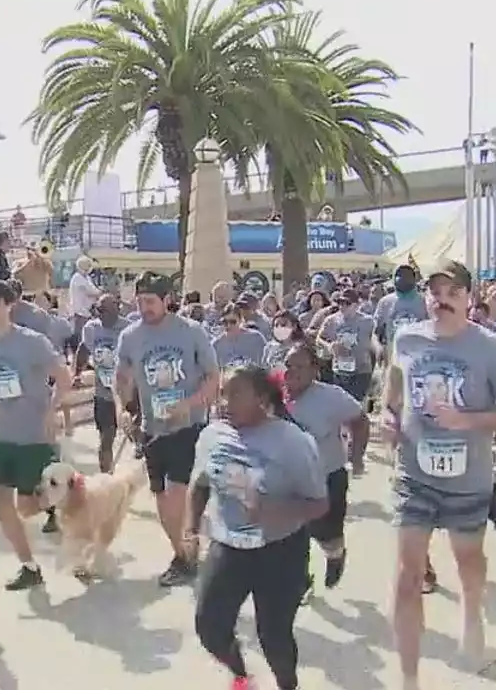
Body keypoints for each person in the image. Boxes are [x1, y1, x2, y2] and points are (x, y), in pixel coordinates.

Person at [382, 259, 496, 690]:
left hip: (468, 478)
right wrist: (389, 416)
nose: (442, 300)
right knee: (408, 577)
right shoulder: (407, 339)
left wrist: (468, 420)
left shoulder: (490, 347)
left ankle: (471, 610)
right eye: (436, 291)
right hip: (414, 474)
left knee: (468, 562)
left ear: (469, 297)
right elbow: (392, 383)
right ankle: (409, 679)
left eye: (453, 292)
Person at [193, 365, 326, 690]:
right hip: (228, 546)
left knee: (274, 637)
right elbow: (199, 486)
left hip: (280, 552)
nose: (224, 401)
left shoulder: (293, 441)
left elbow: (319, 504)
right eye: (222, 393)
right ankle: (241, 675)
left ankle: (286, 684)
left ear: (262, 398)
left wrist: (275, 511)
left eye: (235, 394)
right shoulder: (212, 435)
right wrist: (190, 530)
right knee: (210, 627)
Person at [115, 271, 220, 587]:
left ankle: (186, 554)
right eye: (140, 301)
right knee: (162, 500)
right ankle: (184, 555)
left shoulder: (191, 332)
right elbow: (122, 378)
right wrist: (122, 408)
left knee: (177, 494)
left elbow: (214, 377)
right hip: (153, 429)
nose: (144, 307)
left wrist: (189, 404)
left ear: (167, 300)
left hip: (188, 427)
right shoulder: (131, 336)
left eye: (150, 301)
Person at [0, 279, 70, 590]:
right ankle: (29, 566)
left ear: (9, 305)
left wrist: (51, 409)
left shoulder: (32, 342)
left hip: (33, 437)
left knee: (27, 507)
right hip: (0, 437)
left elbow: (64, 377)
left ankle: (66, 499)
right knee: (0, 500)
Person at [284, 343, 369, 595]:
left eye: (300, 366)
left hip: (327, 477)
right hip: (288, 483)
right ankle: (299, 582)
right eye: (288, 365)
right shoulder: (274, 393)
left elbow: (360, 420)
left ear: (315, 370)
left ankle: (336, 554)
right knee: (291, 536)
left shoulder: (331, 396)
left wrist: (356, 455)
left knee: (325, 533)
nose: (292, 372)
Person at [76, 292, 130, 473]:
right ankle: (105, 475)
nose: (101, 315)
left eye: (106, 310)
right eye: (99, 310)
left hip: (128, 395)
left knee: (137, 436)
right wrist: (77, 373)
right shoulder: (91, 328)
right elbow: (83, 349)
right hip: (104, 394)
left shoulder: (128, 329)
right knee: (106, 437)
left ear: (117, 309)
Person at [212, 303, 267, 372]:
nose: (228, 326)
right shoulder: (216, 345)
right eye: (225, 322)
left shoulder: (256, 339)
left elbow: (265, 366)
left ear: (241, 320)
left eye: (233, 322)